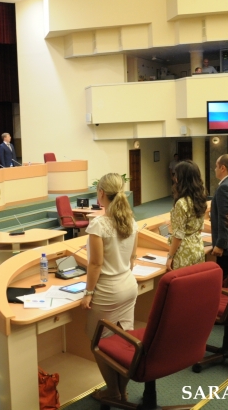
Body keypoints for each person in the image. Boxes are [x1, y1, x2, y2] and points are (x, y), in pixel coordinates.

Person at [81, 173, 138, 403]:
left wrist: (88, 293)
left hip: (108, 291)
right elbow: (132, 259)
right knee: (124, 341)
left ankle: (113, 392)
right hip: (129, 286)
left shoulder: (99, 224)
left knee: (99, 343)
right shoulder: (131, 221)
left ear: (101, 193)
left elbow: (95, 264)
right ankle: (122, 391)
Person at [165, 161, 207, 271]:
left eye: (176, 175)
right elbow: (200, 228)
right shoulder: (199, 198)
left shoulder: (182, 203)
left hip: (184, 252)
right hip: (197, 247)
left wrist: (170, 256)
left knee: (182, 281)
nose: (175, 178)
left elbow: (178, 235)